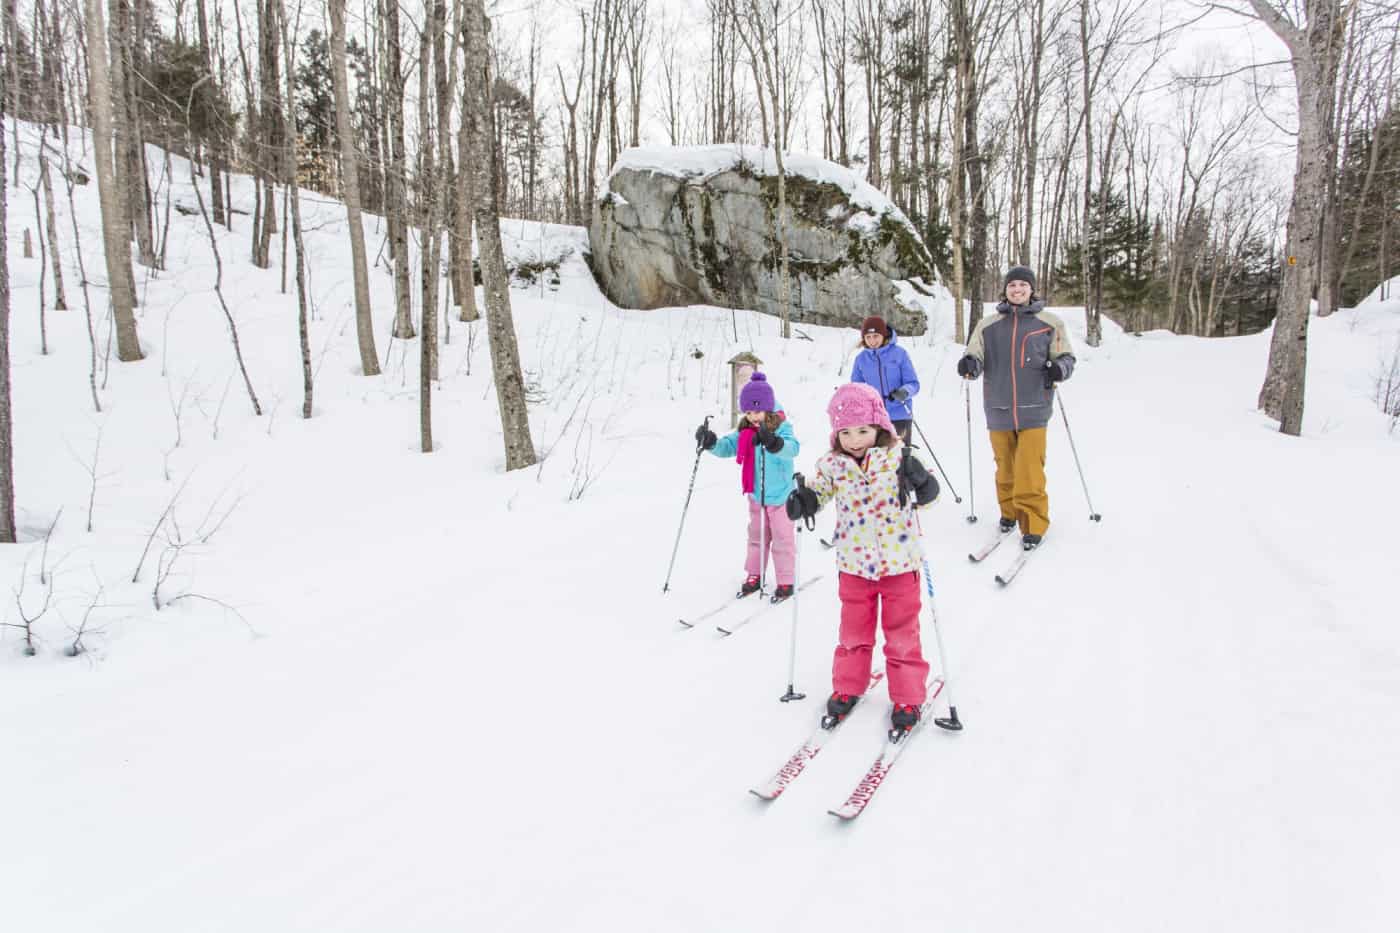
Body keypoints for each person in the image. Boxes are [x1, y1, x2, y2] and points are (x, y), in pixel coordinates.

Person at [785, 382, 940, 733]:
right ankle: (848, 686)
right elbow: (820, 492)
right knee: (853, 632)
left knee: (902, 634)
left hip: (900, 564)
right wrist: (805, 501)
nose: (855, 440)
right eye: (846, 432)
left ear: (880, 427)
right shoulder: (832, 465)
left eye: (863, 431)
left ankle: (908, 695)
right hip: (854, 565)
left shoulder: (900, 458)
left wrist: (923, 483)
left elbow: (929, 497)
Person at [957, 265, 1076, 551]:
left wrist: (1059, 368)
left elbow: (1067, 357)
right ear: (1005, 290)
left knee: (1029, 469)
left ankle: (1034, 522)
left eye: (1023, 285)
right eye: (1012, 286)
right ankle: (1009, 512)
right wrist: (970, 363)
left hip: (1035, 406)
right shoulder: (988, 325)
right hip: (997, 407)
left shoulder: (1049, 323)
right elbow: (974, 353)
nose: (1017, 290)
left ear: (1031, 289)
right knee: (1005, 468)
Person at [694, 372, 801, 602]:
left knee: (783, 539)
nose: (753, 417)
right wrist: (711, 443)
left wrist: (774, 443)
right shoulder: (746, 431)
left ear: (768, 408)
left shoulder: (781, 427)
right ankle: (755, 574)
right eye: (749, 412)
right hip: (756, 495)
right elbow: (727, 447)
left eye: (757, 411)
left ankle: (786, 580)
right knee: (756, 537)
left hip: (781, 496)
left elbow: (793, 448)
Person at [850, 316, 920, 443]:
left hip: (899, 415)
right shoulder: (861, 359)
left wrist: (904, 392)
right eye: (868, 337)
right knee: (877, 458)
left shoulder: (899, 354)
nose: (872, 341)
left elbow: (913, 384)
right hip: (874, 418)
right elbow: (856, 389)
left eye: (876, 336)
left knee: (900, 457)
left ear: (884, 335)